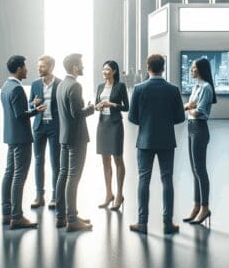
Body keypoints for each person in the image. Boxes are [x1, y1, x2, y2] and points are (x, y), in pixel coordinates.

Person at [128, 54, 185, 234]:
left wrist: (145, 124)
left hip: (145, 140)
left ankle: (142, 223)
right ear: (163, 67)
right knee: (167, 180)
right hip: (167, 140)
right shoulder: (173, 89)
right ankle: (167, 223)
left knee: (143, 180)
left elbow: (132, 117)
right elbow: (180, 117)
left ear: (147, 67)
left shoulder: (139, 89)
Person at [0, 55, 46, 229]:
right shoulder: (18, 89)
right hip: (21, 138)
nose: (27, 70)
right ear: (19, 69)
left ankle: (6, 213)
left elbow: (14, 111)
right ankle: (17, 216)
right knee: (19, 176)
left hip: (11, 137)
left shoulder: (6, 86)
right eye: (25, 67)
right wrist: (36, 109)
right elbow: (20, 115)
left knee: (9, 173)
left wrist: (30, 106)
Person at [55, 53, 95, 232]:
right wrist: (91, 109)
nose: (83, 67)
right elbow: (76, 114)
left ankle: (61, 216)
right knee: (73, 177)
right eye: (81, 64)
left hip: (64, 136)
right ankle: (72, 219)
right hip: (76, 138)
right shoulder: (75, 85)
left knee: (62, 175)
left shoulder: (61, 84)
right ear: (75, 68)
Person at [182, 58, 216, 226]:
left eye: (194, 67)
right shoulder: (196, 86)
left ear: (201, 69)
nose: (191, 69)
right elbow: (192, 109)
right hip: (191, 127)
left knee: (200, 170)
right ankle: (196, 206)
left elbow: (199, 112)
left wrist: (188, 106)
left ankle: (205, 207)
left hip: (199, 128)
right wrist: (190, 106)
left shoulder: (206, 88)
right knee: (194, 169)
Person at [95, 60, 129, 211]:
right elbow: (97, 105)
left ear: (114, 71)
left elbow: (126, 107)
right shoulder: (100, 87)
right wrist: (98, 106)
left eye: (107, 69)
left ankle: (119, 194)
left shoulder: (120, 87)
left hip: (115, 125)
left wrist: (112, 104)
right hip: (103, 125)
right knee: (105, 161)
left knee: (118, 159)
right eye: (103, 70)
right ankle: (108, 193)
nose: (105, 72)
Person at [29, 55, 62, 209]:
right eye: (39, 66)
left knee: (55, 162)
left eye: (42, 66)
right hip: (39, 126)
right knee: (38, 161)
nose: (39, 68)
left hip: (55, 127)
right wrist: (33, 105)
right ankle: (39, 196)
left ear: (51, 67)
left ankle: (55, 196)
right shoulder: (35, 84)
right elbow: (30, 106)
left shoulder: (60, 84)